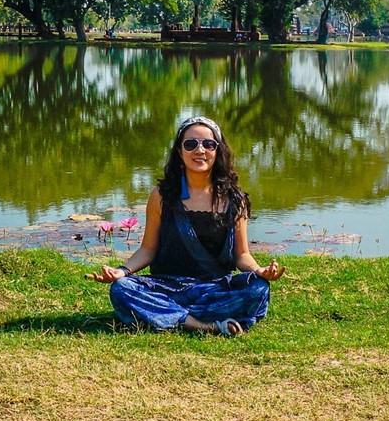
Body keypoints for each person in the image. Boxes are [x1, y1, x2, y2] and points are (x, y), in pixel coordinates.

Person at [86, 116, 284, 335]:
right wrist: (122, 272)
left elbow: (242, 255)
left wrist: (259, 271)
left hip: (214, 289)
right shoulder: (162, 196)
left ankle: (166, 315)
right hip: (167, 287)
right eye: (190, 144)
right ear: (180, 152)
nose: (200, 150)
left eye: (208, 144)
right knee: (122, 289)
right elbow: (148, 249)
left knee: (259, 288)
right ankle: (203, 324)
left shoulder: (235, 200)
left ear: (218, 151)